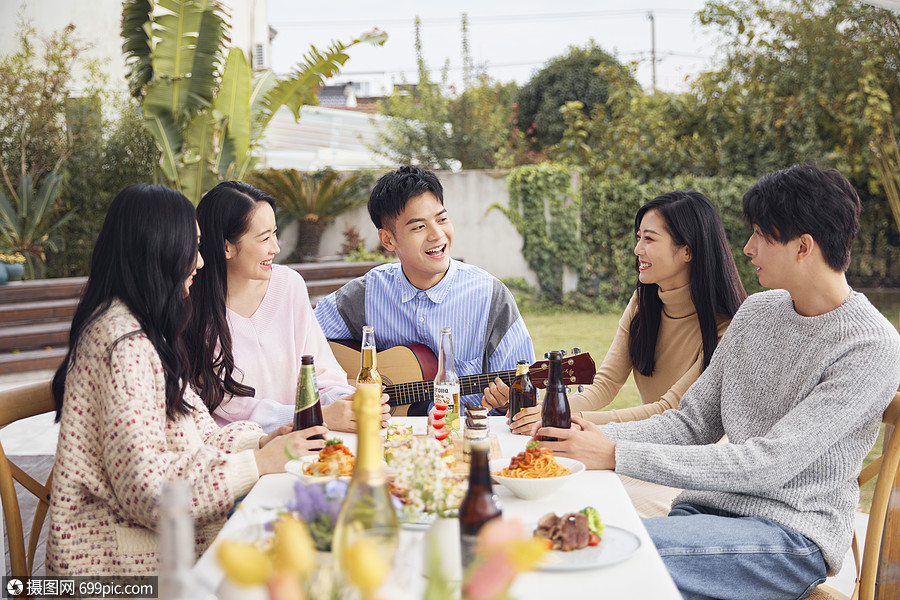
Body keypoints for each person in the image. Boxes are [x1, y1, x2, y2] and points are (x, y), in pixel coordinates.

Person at [538, 165, 900, 600]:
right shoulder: (757, 314)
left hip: (789, 538)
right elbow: (691, 423)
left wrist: (616, 453)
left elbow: (770, 463)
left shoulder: (871, 344)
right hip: (704, 512)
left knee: (591, 555)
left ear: (803, 246)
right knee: (562, 531)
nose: (747, 249)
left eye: (762, 235)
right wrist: (586, 437)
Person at [47, 184, 326, 576]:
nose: (199, 261)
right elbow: (149, 493)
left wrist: (262, 441)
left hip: (167, 548)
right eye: (191, 248)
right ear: (157, 251)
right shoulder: (123, 345)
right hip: (120, 570)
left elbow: (197, 434)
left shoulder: (142, 329)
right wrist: (258, 463)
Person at [487, 190, 747, 516]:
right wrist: (547, 412)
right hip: (640, 445)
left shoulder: (726, 329)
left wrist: (565, 422)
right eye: (639, 238)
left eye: (649, 239)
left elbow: (671, 412)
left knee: (594, 501)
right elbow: (604, 386)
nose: (638, 250)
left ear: (687, 251)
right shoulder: (644, 302)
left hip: (688, 463)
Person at [314, 166, 535, 415]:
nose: (437, 234)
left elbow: (526, 395)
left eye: (441, 219)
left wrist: (508, 403)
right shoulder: (364, 295)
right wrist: (341, 387)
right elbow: (298, 342)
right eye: (419, 227)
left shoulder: (491, 297)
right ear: (388, 240)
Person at [185, 181, 388, 434]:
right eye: (264, 238)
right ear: (226, 246)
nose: (276, 247)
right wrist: (317, 416)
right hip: (244, 452)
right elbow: (228, 408)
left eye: (274, 233)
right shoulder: (190, 308)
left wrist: (348, 402)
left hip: (310, 444)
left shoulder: (288, 285)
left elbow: (322, 373)